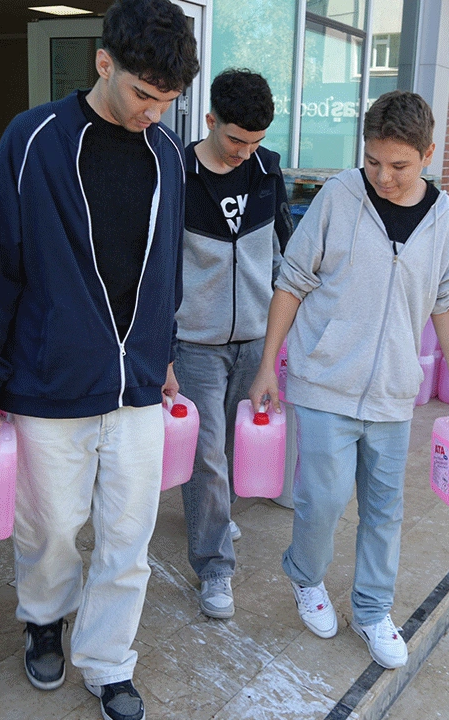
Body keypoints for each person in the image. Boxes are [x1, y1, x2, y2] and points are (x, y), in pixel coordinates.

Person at [0, 0, 197, 717]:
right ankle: (43, 620)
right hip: (47, 378)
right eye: (143, 95)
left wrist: (163, 351)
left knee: (129, 533)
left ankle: (107, 660)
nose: (154, 114)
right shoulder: (33, 139)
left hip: (137, 385)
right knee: (53, 526)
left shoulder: (168, 158)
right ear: (104, 63)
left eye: (169, 103)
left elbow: (165, 268)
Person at [246, 91, 449, 670]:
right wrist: (268, 364)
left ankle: (373, 610)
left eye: (398, 166)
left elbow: (447, 300)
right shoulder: (339, 197)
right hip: (325, 380)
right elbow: (293, 279)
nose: (383, 176)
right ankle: (305, 575)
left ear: (427, 154)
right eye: (373, 161)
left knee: (384, 508)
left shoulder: (442, 216)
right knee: (321, 500)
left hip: (394, 392)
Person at [173, 68, 293, 620]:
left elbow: (286, 253)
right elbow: (155, 268)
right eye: (235, 140)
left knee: (231, 447)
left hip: (254, 337)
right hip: (194, 341)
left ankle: (211, 514)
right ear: (210, 120)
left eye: (256, 142)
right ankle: (216, 568)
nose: (246, 152)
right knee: (206, 457)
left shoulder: (267, 170)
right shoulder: (175, 170)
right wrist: (161, 350)